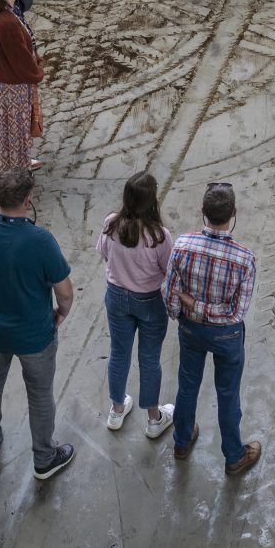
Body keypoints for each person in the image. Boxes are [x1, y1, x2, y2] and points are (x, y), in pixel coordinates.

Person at [0, 166, 75, 479]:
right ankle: (44, 458)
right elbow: (64, 292)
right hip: (34, 336)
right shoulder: (40, 240)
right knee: (39, 395)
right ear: (27, 201)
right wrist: (61, 313)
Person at [162, 181, 262, 476]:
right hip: (227, 336)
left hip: (190, 330)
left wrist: (188, 308)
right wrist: (209, 311)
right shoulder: (245, 259)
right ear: (234, 213)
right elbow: (237, 312)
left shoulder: (182, 246)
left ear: (202, 211)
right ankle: (234, 456)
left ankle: (181, 441)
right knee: (228, 394)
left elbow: (170, 293)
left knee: (187, 384)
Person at [98, 172, 176, 439]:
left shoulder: (111, 223)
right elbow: (169, 270)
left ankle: (117, 409)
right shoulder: (159, 236)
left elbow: (104, 253)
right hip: (149, 301)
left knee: (119, 352)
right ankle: (154, 418)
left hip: (116, 296)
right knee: (149, 358)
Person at [0, 0, 43, 173]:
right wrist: (37, 73)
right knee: (16, 129)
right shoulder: (7, 22)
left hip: (2, 83)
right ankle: (19, 169)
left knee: (5, 129)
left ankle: (9, 165)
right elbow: (19, 59)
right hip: (12, 87)